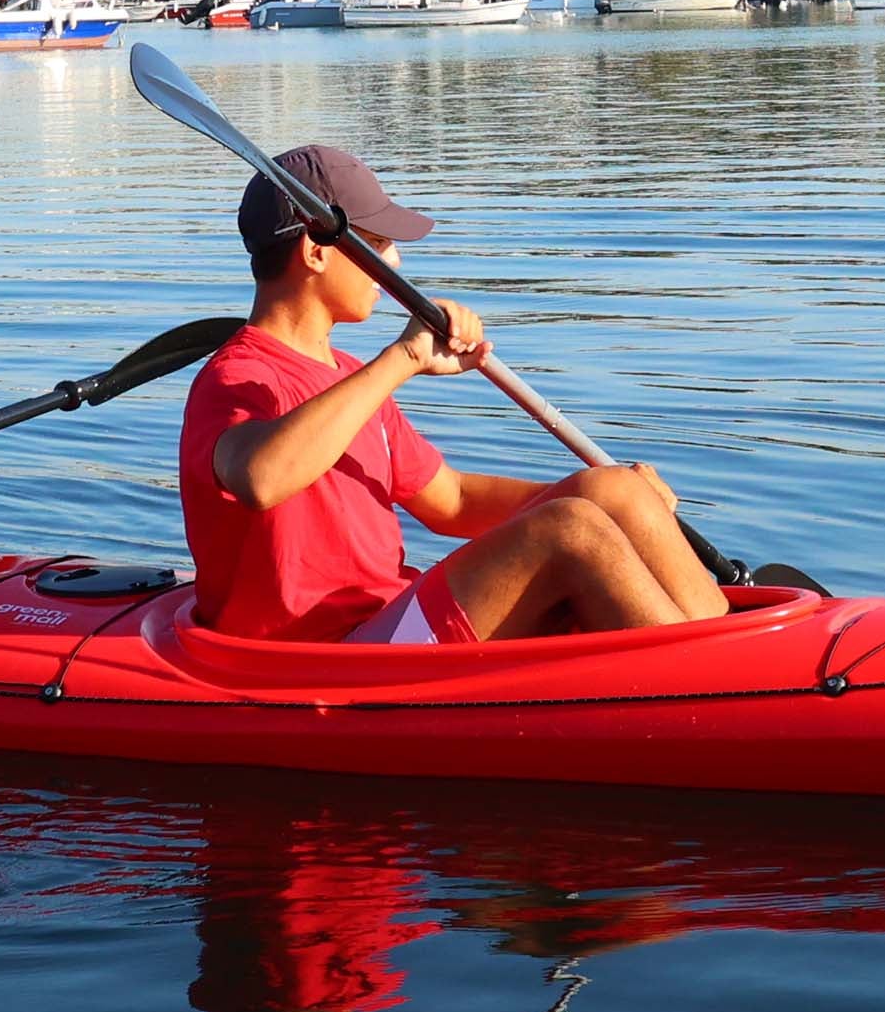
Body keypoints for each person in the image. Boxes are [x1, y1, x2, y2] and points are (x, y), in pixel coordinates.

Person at [176, 139, 718, 644]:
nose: (393, 264)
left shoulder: (347, 374)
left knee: (610, 492)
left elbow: (451, 500)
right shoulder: (234, 379)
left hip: (390, 615)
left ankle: (735, 655)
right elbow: (260, 478)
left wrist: (603, 495)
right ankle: (710, 692)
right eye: (380, 242)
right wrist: (404, 358)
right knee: (570, 531)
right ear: (317, 252)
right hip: (331, 655)